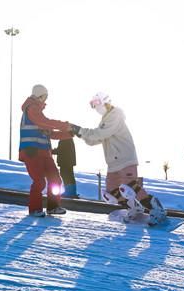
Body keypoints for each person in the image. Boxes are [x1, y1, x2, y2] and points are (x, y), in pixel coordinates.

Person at [70, 92, 164, 223]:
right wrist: (79, 134)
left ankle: (157, 209)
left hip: (125, 158)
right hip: (113, 162)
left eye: (96, 103)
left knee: (130, 187)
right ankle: (134, 207)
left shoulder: (115, 115)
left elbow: (100, 133)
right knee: (112, 192)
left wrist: (80, 130)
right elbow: (95, 139)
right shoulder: (106, 119)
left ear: (105, 101)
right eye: (92, 104)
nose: (95, 107)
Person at [19, 84, 73, 217]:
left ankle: (53, 207)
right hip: (32, 151)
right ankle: (35, 209)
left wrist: (70, 134)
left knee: (55, 179)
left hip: (44, 153)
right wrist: (65, 126)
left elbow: (50, 134)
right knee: (39, 181)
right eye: (45, 96)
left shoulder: (38, 113)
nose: (46, 99)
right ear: (40, 96)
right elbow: (44, 122)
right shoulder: (31, 109)